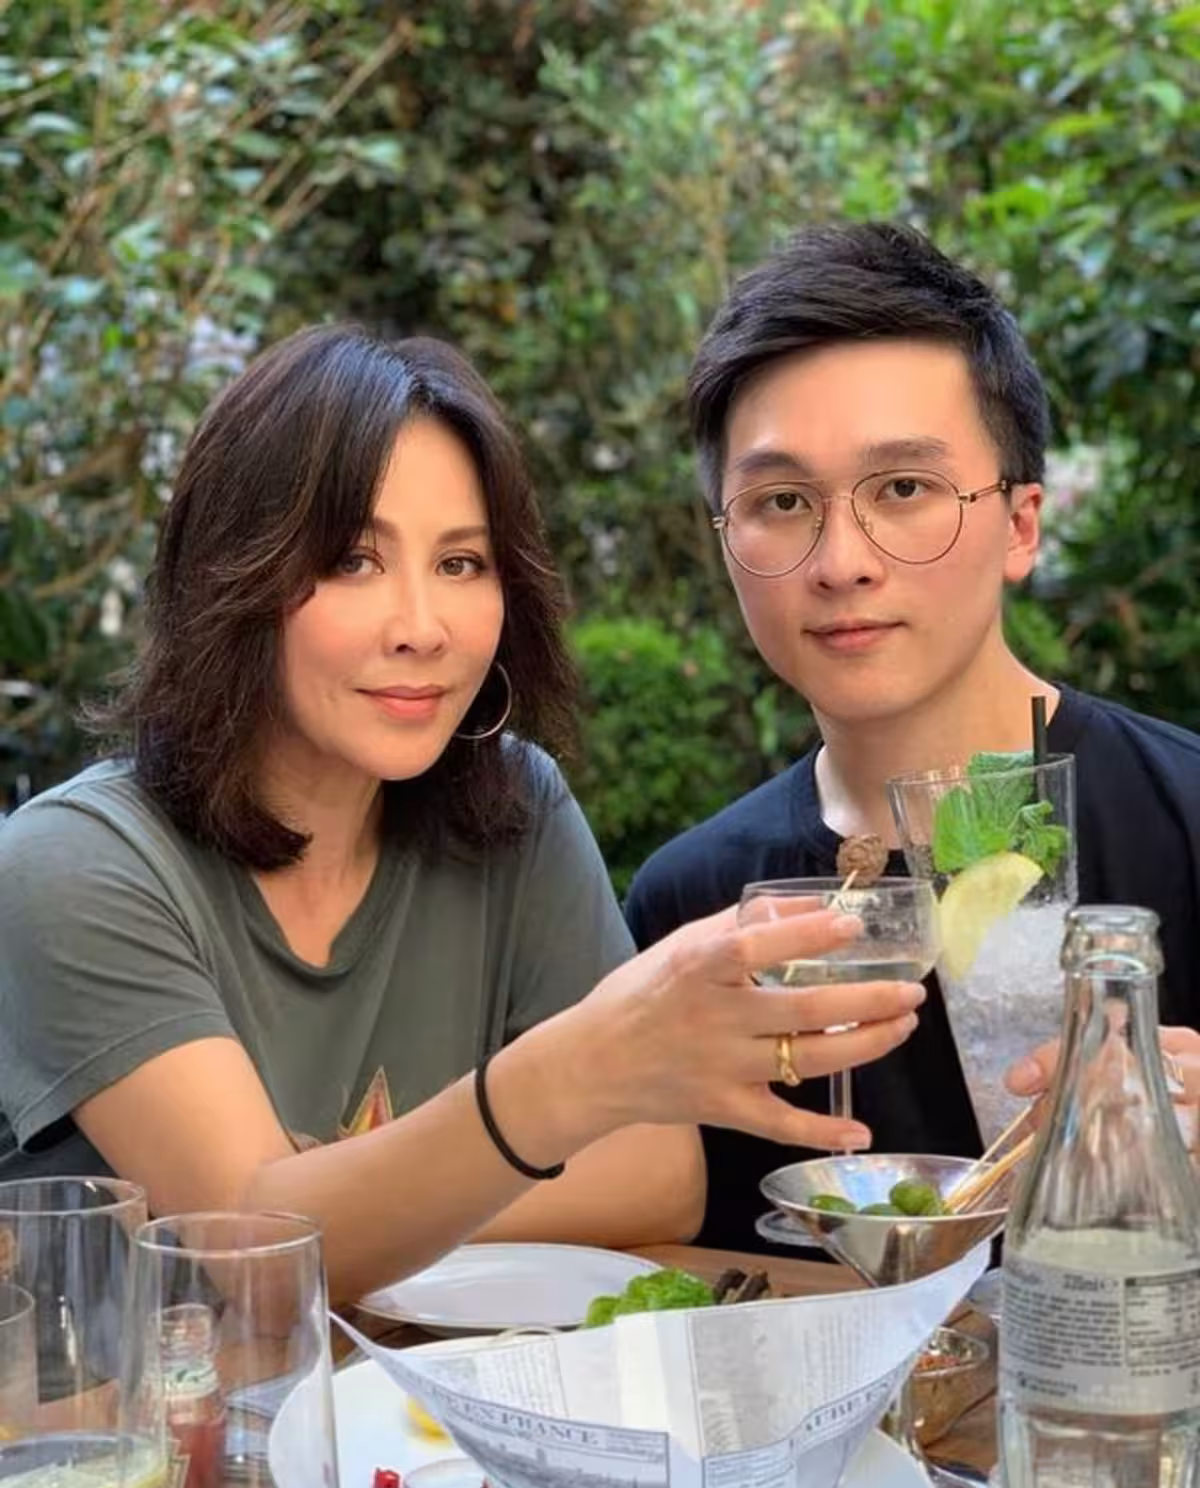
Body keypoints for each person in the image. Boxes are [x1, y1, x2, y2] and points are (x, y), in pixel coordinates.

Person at [0, 326, 927, 1303]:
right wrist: (550, 1093)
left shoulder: (514, 810)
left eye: (461, 564)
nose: (422, 628)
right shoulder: (75, 865)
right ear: (231, 576)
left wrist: (354, 1191)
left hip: (427, 1397)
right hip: (122, 1402)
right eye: (354, 561)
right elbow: (261, 1257)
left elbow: (659, 1177)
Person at [625, 222, 1200, 1253]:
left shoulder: (1186, 817)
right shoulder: (691, 907)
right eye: (781, 501)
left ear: (1021, 524)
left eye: (903, 489)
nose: (841, 561)